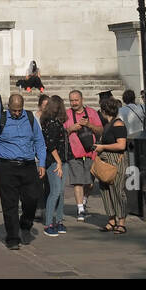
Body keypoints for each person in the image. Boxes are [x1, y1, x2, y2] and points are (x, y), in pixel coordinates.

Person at [0, 92, 46, 250]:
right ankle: (12, 238)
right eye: (14, 110)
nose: (17, 113)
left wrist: (42, 163)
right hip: (7, 167)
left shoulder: (30, 118)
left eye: (19, 110)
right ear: (8, 107)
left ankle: (25, 224)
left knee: (32, 199)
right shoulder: (0, 120)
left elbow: (39, 140)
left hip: (28, 165)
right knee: (9, 203)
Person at [63, 90, 102, 221]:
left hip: (91, 152)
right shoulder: (67, 114)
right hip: (74, 153)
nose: (74, 103)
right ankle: (80, 209)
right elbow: (61, 133)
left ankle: (84, 201)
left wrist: (89, 125)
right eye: (71, 100)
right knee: (77, 182)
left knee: (89, 182)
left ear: (82, 99)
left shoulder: (92, 112)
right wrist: (71, 129)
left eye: (76, 100)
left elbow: (101, 130)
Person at [93, 97, 129, 233]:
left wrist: (103, 146)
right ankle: (111, 220)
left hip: (116, 160)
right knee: (105, 190)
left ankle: (121, 222)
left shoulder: (118, 124)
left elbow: (121, 145)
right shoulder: (108, 125)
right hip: (105, 161)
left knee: (117, 191)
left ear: (103, 110)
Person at [41, 94, 70, 236]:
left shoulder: (55, 122)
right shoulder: (51, 123)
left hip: (61, 160)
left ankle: (58, 220)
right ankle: (48, 224)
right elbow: (50, 145)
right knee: (55, 191)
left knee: (61, 192)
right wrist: (58, 161)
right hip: (54, 161)